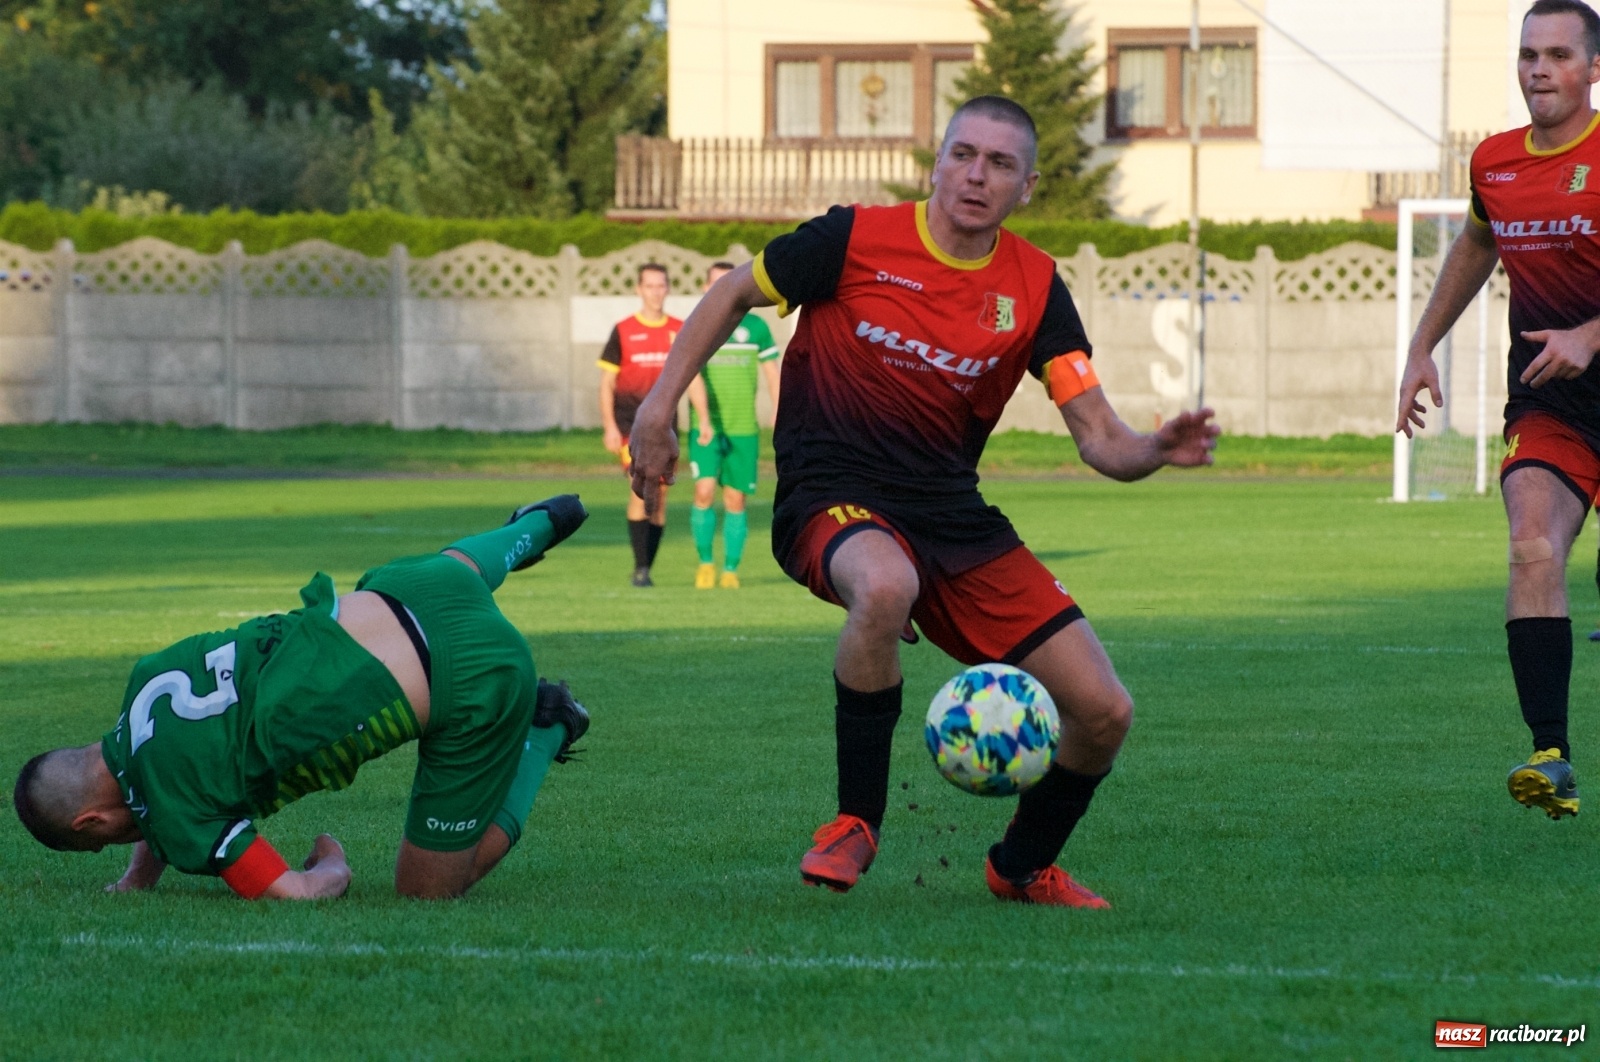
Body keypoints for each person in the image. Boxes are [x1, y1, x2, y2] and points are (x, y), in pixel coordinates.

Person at [626, 96, 1218, 908]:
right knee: (884, 584)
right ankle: (854, 823)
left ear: (1027, 187)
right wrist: (657, 408)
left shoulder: (1035, 287)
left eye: (1000, 164)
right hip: (831, 491)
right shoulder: (851, 238)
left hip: (950, 513)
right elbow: (731, 293)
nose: (977, 175)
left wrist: (1154, 449)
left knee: (1104, 710)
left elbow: (1098, 436)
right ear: (937, 162)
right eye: (963, 154)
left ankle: (1020, 867)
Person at [12, 495, 592, 899]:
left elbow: (294, 891)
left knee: (426, 892)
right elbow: (157, 788)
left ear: (91, 821)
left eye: (102, 844)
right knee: (445, 574)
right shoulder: (145, 682)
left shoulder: (173, 810)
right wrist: (139, 878)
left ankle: (545, 727)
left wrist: (331, 863)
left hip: (473, 675)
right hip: (414, 583)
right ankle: (534, 526)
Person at [1398, 0, 1600, 821]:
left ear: (1594, 68)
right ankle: (1550, 757)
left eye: (1558, 54)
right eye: (1528, 54)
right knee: (1531, 545)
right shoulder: (1495, 162)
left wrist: (1592, 333)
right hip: (1551, 403)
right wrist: (1422, 345)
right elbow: (1478, 243)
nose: (1538, 69)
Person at [686, 261, 782, 589]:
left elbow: (772, 373)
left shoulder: (756, 327)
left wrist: (779, 410)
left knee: (735, 500)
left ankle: (730, 569)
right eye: (714, 283)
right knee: (703, 491)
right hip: (706, 427)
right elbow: (691, 375)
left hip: (743, 429)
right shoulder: (699, 325)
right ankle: (705, 564)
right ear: (705, 288)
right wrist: (704, 418)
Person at [600, 262, 684, 587]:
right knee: (640, 488)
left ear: (668, 288)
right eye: (649, 286)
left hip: (666, 427)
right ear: (639, 290)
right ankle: (640, 569)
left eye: (660, 285)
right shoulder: (623, 330)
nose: (655, 292)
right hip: (630, 427)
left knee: (660, 496)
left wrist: (703, 419)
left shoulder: (679, 329)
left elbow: (691, 379)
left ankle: (647, 565)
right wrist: (609, 426)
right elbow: (607, 383)